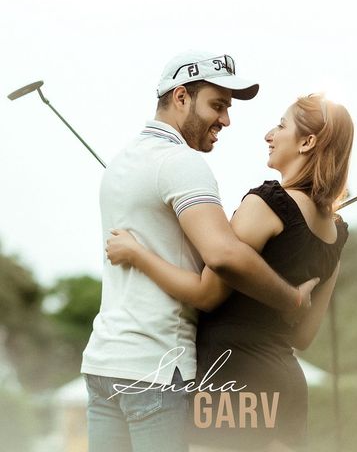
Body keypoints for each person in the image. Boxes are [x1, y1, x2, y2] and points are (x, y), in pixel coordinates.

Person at [81, 51, 319, 452]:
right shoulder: (183, 163)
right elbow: (224, 256)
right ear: (180, 97)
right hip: (156, 369)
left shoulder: (121, 163)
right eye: (218, 105)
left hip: (103, 365)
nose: (225, 119)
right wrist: (292, 298)